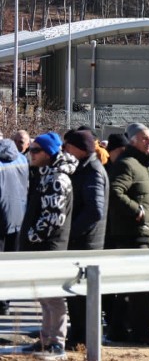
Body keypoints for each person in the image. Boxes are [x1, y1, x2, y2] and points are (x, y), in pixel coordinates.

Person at [19, 132, 77, 360]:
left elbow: (54, 218)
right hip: (43, 247)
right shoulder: (46, 175)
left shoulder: (57, 179)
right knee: (45, 296)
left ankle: (57, 343)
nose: (30, 154)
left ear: (48, 153)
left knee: (53, 297)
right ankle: (46, 339)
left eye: (35, 150)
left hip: (49, 248)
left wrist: (33, 237)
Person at [105, 123, 149, 346]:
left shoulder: (143, 164)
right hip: (132, 233)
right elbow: (114, 191)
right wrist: (136, 210)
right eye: (144, 139)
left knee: (129, 286)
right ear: (132, 141)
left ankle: (117, 330)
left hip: (142, 233)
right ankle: (141, 332)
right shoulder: (128, 164)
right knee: (139, 286)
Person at [62, 129, 108, 348]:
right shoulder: (85, 168)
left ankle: (85, 337)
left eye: (68, 146)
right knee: (77, 295)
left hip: (86, 243)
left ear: (78, 148)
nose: (65, 151)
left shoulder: (92, 171)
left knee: (82, 296)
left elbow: (95, 210)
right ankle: (80, 335)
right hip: (82, 241)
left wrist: (69, 233)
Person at [0, 134, 28, 317]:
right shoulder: (22, 158)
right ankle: (5, 302)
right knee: (9, 263)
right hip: (19, 216)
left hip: (1, 217)